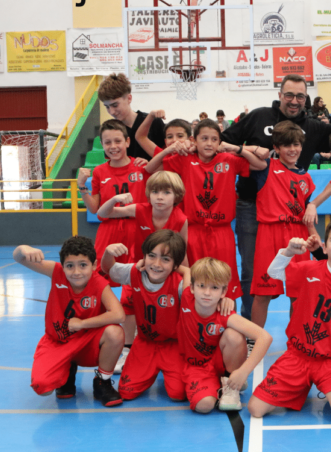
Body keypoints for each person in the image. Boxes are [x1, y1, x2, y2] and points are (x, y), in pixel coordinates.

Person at [221, 75, 331, 320]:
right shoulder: (258, 116)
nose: (294, 101)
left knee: (299, 282)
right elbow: (226, 143)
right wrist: (252, 150)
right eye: (289, 95)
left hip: (293, 215)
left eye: (300, 96)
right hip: (253, 210)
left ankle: (297, 339)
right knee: (254, 276)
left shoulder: (313, 128)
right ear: (280, 95)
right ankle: (249, 333)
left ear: (306, 99)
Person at [248, 218, 331, 427]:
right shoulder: (309, 269)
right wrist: (288, 252)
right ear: (324, 247)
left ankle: (327, 386)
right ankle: (301, 385)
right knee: (256, 409)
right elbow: (273, 273)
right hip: (297, 356)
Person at [146, 118, 266, 302]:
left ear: (219, 142)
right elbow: (150, 168)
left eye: (214, 139)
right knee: (194, 282)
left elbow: (261, 164)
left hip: (221, 231)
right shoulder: (184, 159)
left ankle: (226, 324)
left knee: (225, 282)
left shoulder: (228, 159)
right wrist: (170, 149)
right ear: (194, 141)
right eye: (204, 139)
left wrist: (236, 148)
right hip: (193, 230)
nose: (209, 143)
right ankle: (194, 323)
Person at [13, 236, 125, 407]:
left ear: (94, 266)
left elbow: (119, 315)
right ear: (63, 266)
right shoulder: (56, 272)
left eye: (83, 265)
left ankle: (102, 381)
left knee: (115, 332)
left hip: (87, 342)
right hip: (58, 341)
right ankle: (67, 370)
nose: (76, 272)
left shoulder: (98, 283)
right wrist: (23, 248)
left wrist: (82, 324)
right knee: (43, 388)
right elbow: (19, 258)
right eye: (70, 266)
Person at [76, 119, 149, 374]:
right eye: (108, 142)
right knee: (100, 286)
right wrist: (81, 186)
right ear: (102, 145)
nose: (113, 146)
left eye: (118, 141)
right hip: (108, 233)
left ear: (128, 142)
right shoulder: (98, 172)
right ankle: (98, 338)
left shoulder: (142, 168)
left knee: (132, 288)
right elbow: (95, 208)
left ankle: (130, 345)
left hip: (136, 231)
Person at [101, 230, 197, 402]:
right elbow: (108, 268)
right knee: (126, 391)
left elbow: (198, 302)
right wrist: (108, 252)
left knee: (178, 394)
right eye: (151, 256)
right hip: (145, 342)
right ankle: (149, 368)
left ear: (175, 265)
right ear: (144, 257)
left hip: (173, 345)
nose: (157, 264)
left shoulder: (181, 284)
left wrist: (187, 271)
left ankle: (168, 371)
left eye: (166, 259)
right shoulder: (134, 272)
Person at [179, 258, 272, 413]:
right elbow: (185, 270)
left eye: (214, 288)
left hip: (218, 362)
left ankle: (231, 383)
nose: (207, 293)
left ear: (223, 292)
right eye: (202, 286)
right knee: (204, 406)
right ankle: (219, 383)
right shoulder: (186, 297)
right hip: (195, 365)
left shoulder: (225, 314)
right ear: (192, 288)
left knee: (234, 335)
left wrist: (243, 372)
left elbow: (265, 337)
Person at [249, 121, 316, 329]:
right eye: (287, 145)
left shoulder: (306, 177)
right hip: (270, 233)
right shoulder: (266, 167)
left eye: (296, 144)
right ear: (276, 148)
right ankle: (254, 340)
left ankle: (295, 340)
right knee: (262, 292)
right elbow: (240, 155)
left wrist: (314, 236)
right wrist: (251, 148)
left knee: (299, 293)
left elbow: (307, 213)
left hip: (299, 233)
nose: (293, 149)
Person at [99, 73, 166, 161]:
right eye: (107, 107)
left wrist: (149, 166)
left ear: (129, 99)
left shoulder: (153, 122)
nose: (111, 112)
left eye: (115, 105)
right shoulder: (112, 129)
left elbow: (167, 158)